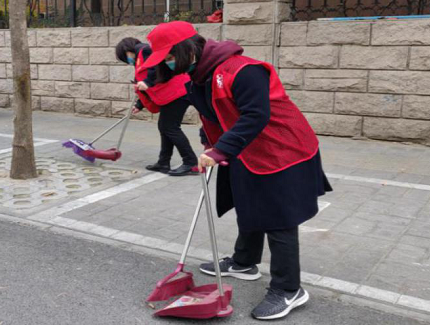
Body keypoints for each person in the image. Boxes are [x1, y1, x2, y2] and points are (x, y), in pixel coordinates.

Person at [138, 21, 331, 321]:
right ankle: (244, 262)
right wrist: (209, 142)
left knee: (279, 219)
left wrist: (220, 150)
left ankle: (288, 289)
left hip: (282, 148)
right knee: (248, 204)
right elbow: (212, 114)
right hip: (246, 149)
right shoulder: (197, 76)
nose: (168, 63)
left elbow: (256, 115)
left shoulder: (243, 70)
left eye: (170, 57)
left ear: (188, 49)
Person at [115, 37, 198, 176]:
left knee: (170, 127)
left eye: (125, 57)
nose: (127, 60)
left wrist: (147, 82)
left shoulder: (143, 50)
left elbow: (157, 67)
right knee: (165, 127)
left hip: (178, 92)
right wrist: (140, 104)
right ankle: (163, 162)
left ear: (127, 50)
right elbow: (146, 81)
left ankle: (191, 162)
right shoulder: (140, 56)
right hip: (173, 94)